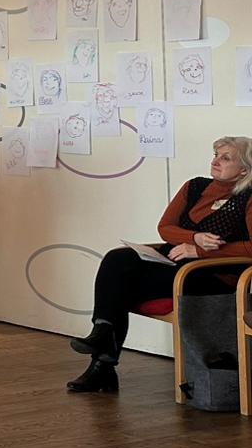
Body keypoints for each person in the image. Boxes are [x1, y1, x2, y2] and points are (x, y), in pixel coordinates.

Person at [67, 136, 252, 392]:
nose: (216, 161)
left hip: (212, 274)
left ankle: (102, 363)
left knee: (118, 288)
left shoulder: (248, 196)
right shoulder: (195, 187)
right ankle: (103, 334)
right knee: (117, 258)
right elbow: (165, 228)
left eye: (226, 158)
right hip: (174, 263)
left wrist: (199, 252)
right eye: (216, 155)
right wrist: (195, 238)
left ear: (244, 170)